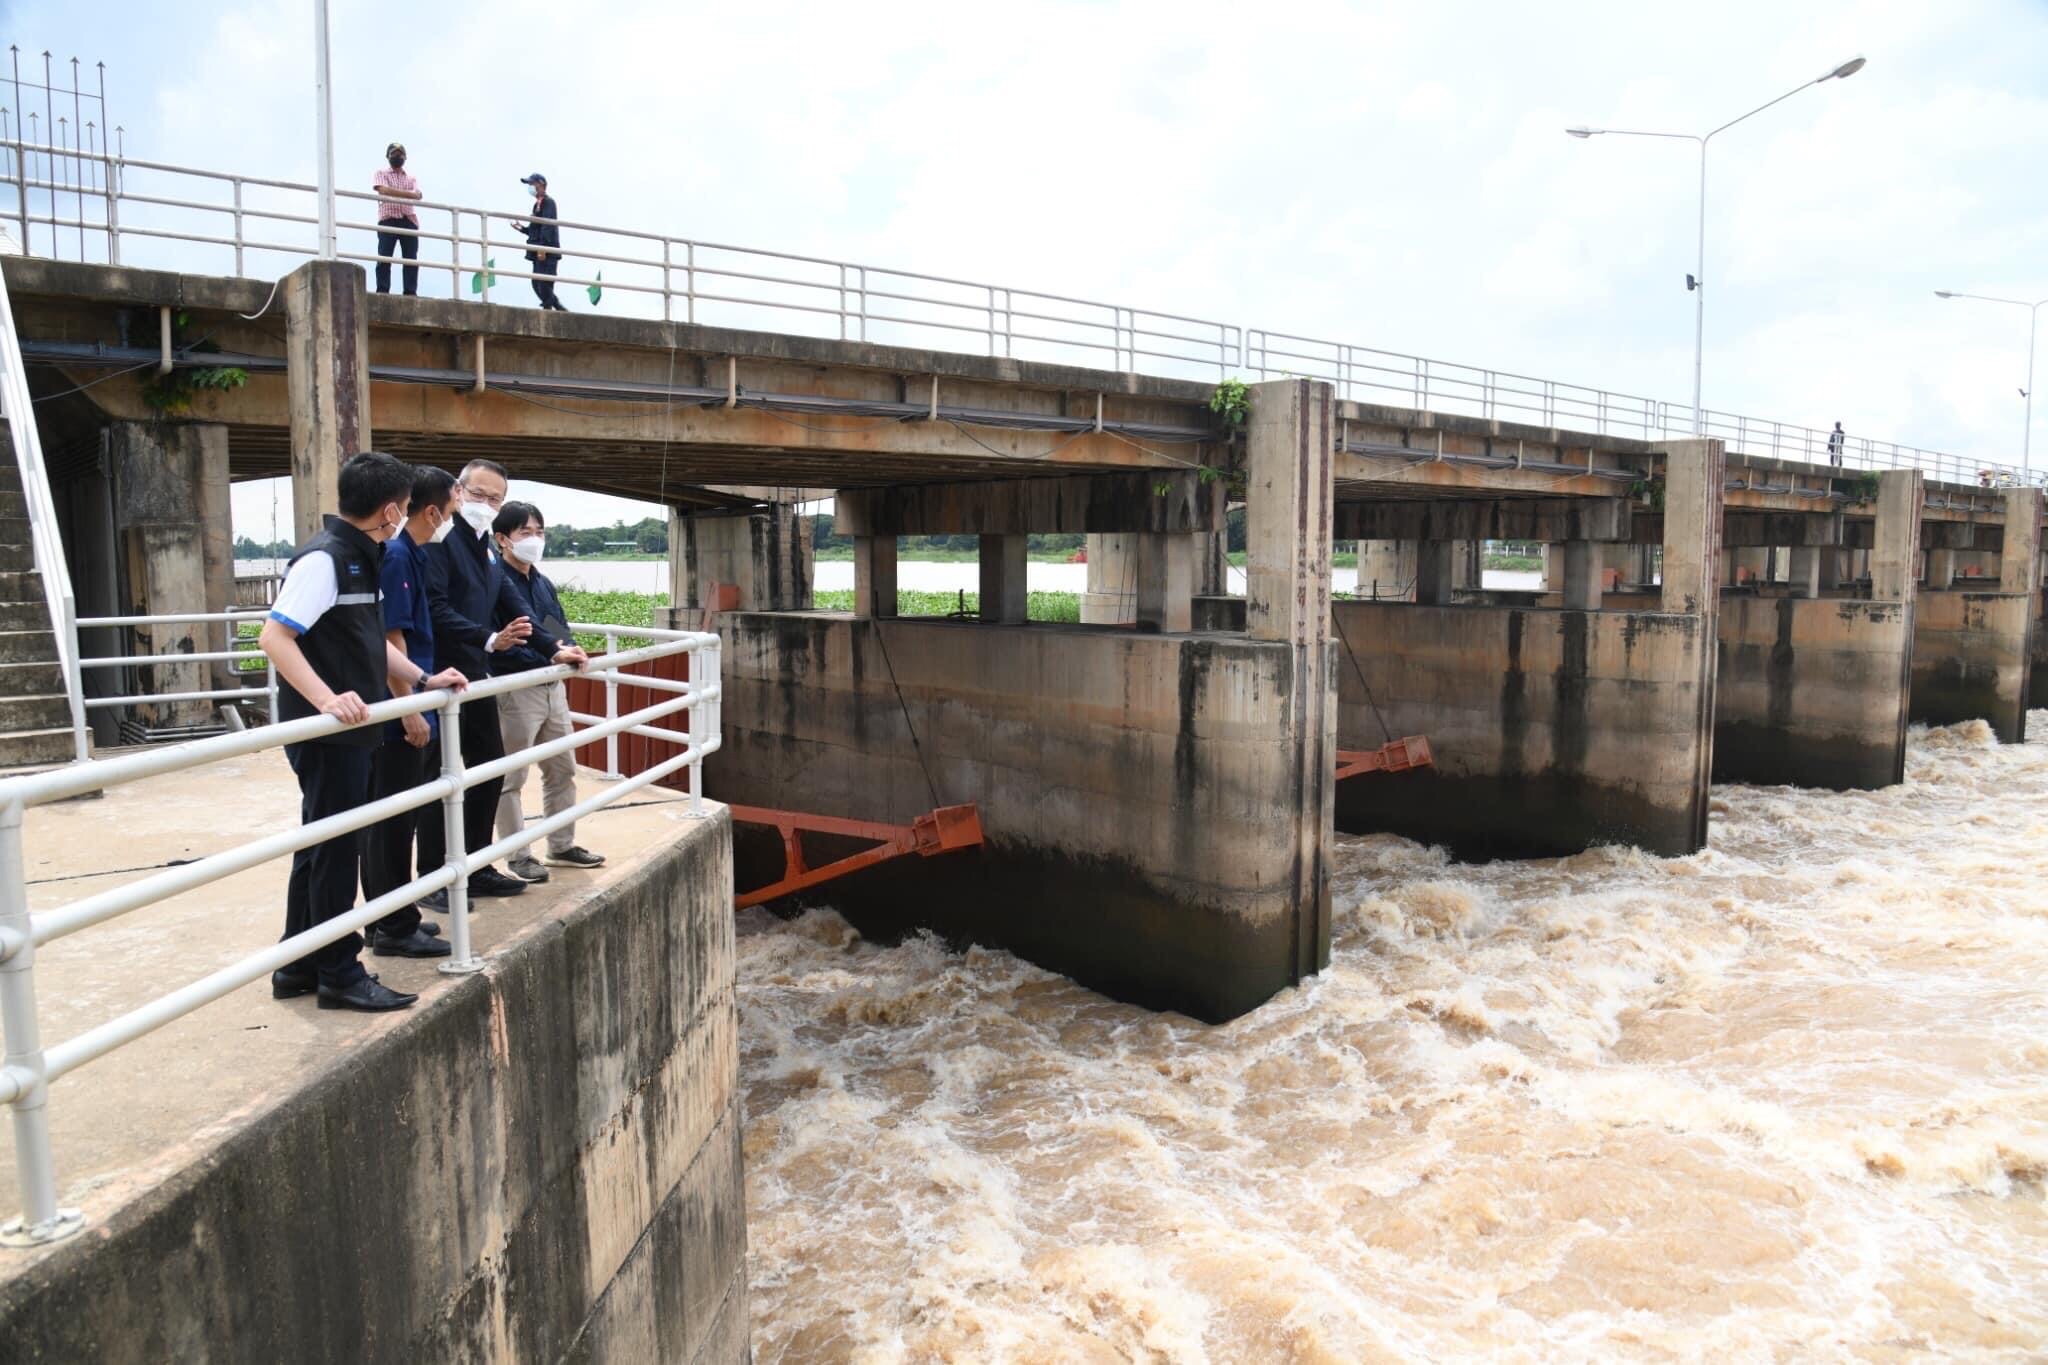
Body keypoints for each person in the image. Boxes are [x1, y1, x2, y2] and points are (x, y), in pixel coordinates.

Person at [259, 452, 467, 1011]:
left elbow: (370, 641)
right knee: (335, 850)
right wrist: (327, 699)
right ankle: (339, 973)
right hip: (329, 733)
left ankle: (298, 963)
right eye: (404, 507)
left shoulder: (360, 557)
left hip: (348, 730)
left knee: (320, 846)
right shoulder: (326, 560)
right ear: (392, 510)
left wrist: (422, 679)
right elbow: (275, 637)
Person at [418, 459, 537, 905]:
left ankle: (478, 862)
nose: (485, 504)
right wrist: (488, 638)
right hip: (438, 678)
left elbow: (513, 603)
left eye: (495, 499)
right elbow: (435, 608)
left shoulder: (485, 546)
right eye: (478, 494)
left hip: (475, 677)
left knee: (489, 767)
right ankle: (433, 876)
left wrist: (554, 648)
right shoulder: (438, 541)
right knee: (440, 780)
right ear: (458, 491)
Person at [358, 465, 459, 960]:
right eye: (453, 507)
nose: (454, 518)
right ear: (433, 511)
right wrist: (409, 709)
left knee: (396, 818)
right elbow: (391, 636)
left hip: (410, 697)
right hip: (402, 705)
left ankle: (388, 919)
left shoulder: (410, 554)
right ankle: (392, 925)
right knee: (392, 823)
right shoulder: (398, 555)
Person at [488, 501, 603, 882]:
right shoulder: (493, 583)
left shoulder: (541, 582)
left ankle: (561, 845)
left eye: (539, 532)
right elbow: (498, 642)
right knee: (511, 778)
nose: (535, 539)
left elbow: (556, 628)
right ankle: (518, 855)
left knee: (562, 769)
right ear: (502, 539)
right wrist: (547, 656)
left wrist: (569, 648)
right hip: (516, 690)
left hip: (553, 687)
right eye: (525, 532)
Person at [372, 142, 422, 296]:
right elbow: (382, 190)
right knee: (384, 257)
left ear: (405, 157)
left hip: (408, 219)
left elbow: (418, 195)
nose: (397, 156)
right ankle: (382, 290)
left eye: (400, 154)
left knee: (411, 259)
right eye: (394, 153)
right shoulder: (381, 173)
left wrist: (395, 193)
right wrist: (408, 194)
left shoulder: (411, 178)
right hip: (388, 218)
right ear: (387, 156)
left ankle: (410, 292)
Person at [513, 172, 564, 310]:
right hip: (538, 249)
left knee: (544, 283)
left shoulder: (548, 202)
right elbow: (535, 229)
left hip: (547, 250)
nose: (530, 187)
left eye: (532, 184)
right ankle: (556, 307)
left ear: (541, 185)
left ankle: (553, 308)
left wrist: (542, 248)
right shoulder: (537, 205)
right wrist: (521, 228)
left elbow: (548, 225)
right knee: (536, 283)